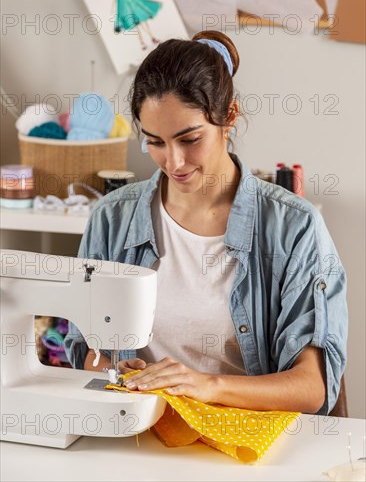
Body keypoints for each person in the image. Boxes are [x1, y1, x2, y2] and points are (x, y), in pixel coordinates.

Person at [64, 30, 347, 415]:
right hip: (141, 432)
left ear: (228, 116)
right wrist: (117, 370)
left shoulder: (294, 228)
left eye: (190, 139)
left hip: (243, 441)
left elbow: (312, 386)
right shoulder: (111, 219)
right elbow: (86, 347)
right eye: (155, 142)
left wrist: (206, 386)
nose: (173, 162)